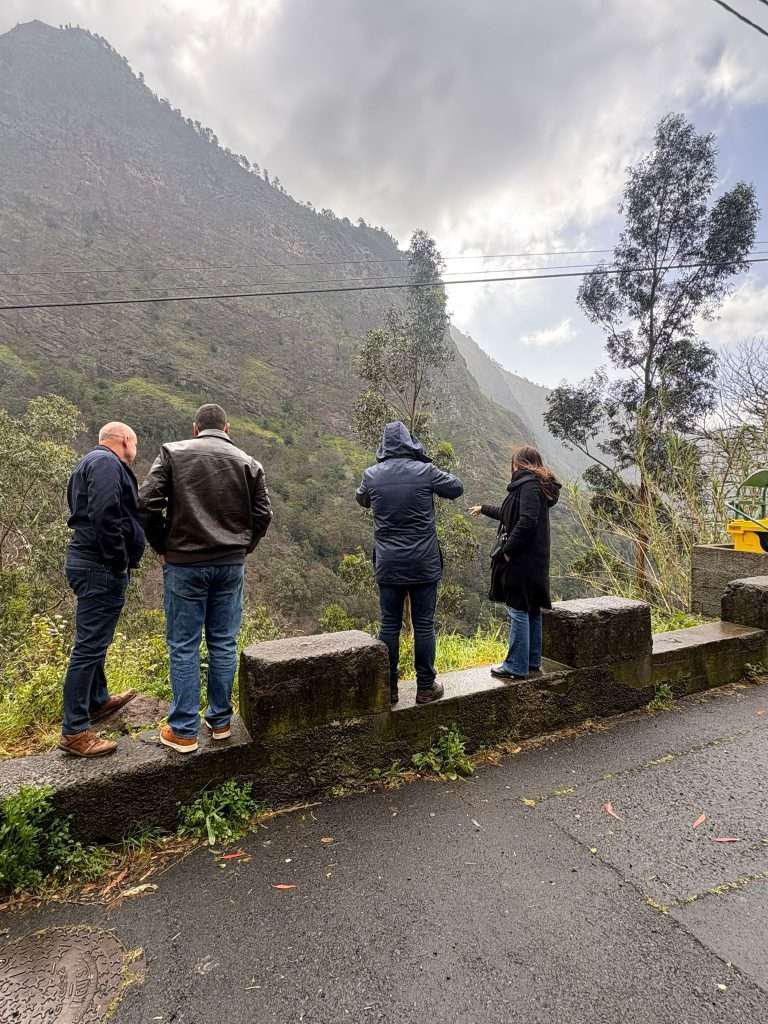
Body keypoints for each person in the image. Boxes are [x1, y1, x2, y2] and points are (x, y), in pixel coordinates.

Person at [139, 403, 273, 753]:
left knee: (184, 645)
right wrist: (243, 547)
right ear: (227, 428)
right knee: (223, 642)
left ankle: (184, 730)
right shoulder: (249, 463)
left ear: (195, 428)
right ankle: (221, 722)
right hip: (230, 564)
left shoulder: (172, 453)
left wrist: (162, 545)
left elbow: (146, 502)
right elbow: (263, 515)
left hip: (185, 563)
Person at [356, 421, 464, 705]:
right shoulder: (425, 472)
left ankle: (389, 689)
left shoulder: (372, 475)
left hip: (389, 564)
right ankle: (425, 687)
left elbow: (362, 498)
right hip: (423, 563)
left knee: (389, 625)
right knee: (424, 624)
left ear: (384, 446)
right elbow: (456, 488)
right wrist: (426, 463)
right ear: (409, 442)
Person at [59, 422, 145, 757]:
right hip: (99, 565)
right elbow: (106, 513)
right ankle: (75, 731)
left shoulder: (91, 462)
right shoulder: (107, 463)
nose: (135, 451)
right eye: (135, 444)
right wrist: (118, 560)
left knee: (95, 641)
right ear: (124, 440)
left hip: (90, 562)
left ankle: (96, 700)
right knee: (88, 646)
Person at [470, 445, 560, 680]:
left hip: (522, 560)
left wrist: (507, 551)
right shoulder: (537, 486)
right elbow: (509, 513)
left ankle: (515, 666)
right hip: (535, 559)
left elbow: (526, 521)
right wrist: (484, 508)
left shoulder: (528, 486)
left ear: (518, 464)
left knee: (518, 608)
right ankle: (531, 661)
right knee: (532, 608)